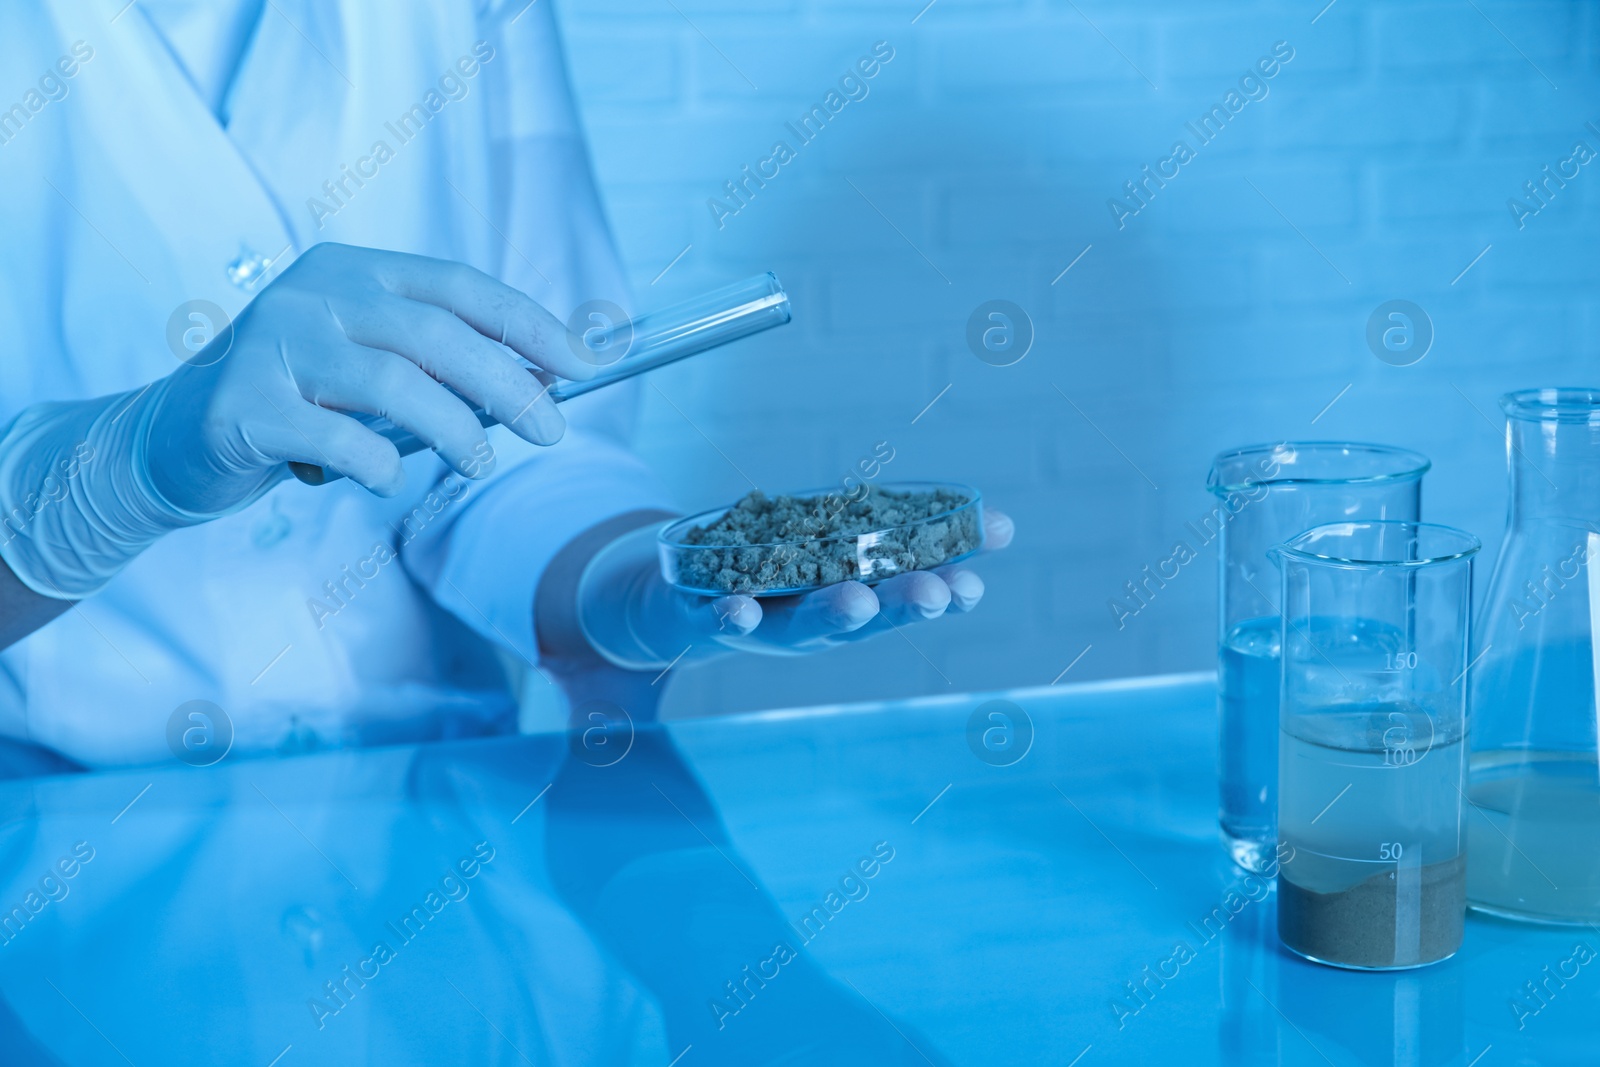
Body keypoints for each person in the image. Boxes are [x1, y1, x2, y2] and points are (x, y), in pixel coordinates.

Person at [0, 0, 1011, 769]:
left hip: (438, 819)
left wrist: (627, 585)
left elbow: (517, 424)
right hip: (53, 836)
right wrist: (126, 473)